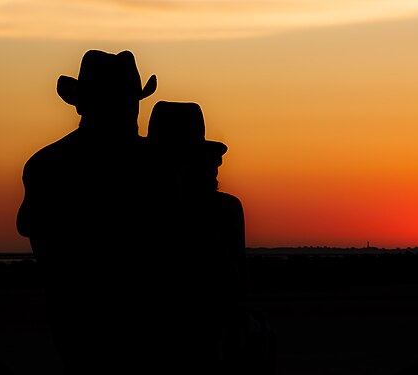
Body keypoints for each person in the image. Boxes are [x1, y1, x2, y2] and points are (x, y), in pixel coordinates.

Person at [16, 50, 157, 374]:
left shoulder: (46, 164)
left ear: (80, 104)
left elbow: (31, 230)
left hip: (73, 313)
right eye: (128, 102)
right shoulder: (158, 163)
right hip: (145, 314)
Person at [147, 101, 274, 374]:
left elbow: (239, 282)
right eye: (205, 161)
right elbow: (239, 282)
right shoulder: (222, 209)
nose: (216, 166)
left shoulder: (225, 209)